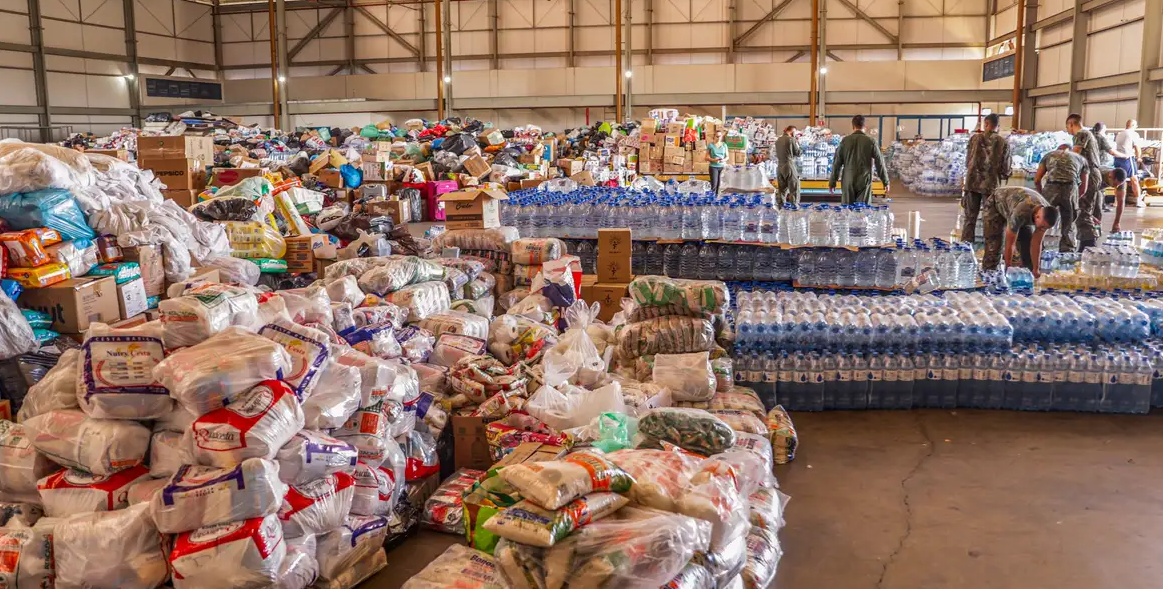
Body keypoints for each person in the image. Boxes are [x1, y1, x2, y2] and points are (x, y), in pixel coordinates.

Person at [982, 186, 1060, 276]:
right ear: (1037, 217)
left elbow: (1036, 243)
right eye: (1042, 227)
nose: (1042, 229)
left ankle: (1027, 276)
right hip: (996, 203)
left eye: (1045, 228)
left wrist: (1035, 269)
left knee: (1027, 246)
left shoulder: (1046, 214)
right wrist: (1008, 269)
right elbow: (1010, 244)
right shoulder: (1020, 212)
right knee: (994, 246)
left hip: (1019, 208)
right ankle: (988, 276)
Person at [960, 113, 1011, 243]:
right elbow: (1005, 169)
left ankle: (966, 246)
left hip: (972, 183)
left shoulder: (974, 139)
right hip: (990, 185)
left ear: (986, 124)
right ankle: (989, 247)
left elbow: (967, 162)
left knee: (970, 218)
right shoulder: (1002, 142)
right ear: (997, 126)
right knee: (990, 219)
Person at [1034, 144, 1088, 253]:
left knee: (1043, 218)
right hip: (1070, 188)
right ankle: (1067, 251)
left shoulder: (1049, 155)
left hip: (1051, 188)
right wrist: (1075, 197)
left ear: (1058, 149)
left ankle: (1037, 247)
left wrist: (1041, 195)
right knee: (1069, 222)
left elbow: (1037, 179)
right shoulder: (1081, 159)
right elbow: (1084, 187)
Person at [828, 115, 889, 205]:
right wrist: (885, 181)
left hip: (848, 179)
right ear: (865, 127)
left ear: (853, 127)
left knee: (847, 210)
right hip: (864, 179)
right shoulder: (871, 141)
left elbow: (837, 163)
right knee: (863, 210)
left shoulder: (845, 141)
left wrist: (832, 182)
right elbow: (880, 162)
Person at [1067, 113, 1104, 249]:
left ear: (1071, 124)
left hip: (1089, 174)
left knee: (1083, 210)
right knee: (1085, 209)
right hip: (1090, 173)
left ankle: (1088, 245)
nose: (1068, 130)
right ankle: (1087, 242)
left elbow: (1075, 153)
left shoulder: (1081, 134)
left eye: (1068, 127)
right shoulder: (1088, 134)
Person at [1114, 119, 1143, 208]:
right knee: (1134, 180)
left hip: (1117, 159)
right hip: (1127, 159)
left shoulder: (1119, 134)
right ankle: (1138, 201)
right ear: (1133, 125)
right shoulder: (1134, 134)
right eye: (1136, 126)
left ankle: (1116, 202)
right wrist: (1138, 157)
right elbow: (1137, 148)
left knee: (1119, 180)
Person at [772, 126, 802, 206]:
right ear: (793, 132)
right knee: (794, 188)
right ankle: (794, 208)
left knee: (782, 190)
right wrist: (798, 142)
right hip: (789, 166)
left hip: (780, 167)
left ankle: (781, 210)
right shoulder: (792, 140)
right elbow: (798, 153)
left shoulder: (778, 140)